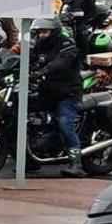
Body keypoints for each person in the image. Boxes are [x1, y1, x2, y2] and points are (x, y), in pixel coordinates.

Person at [29, 16, 86, 177]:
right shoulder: (39, 45)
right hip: (46, 92)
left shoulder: (66, 44)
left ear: (54, 31)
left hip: (67, 93)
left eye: (45, 32)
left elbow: (62, 62)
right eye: (39, 32)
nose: (41, 35)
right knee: (26, 118)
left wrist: (43, 71)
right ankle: (28, 159)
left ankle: (76, 163)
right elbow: (29, 60)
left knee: (64, 122)